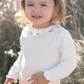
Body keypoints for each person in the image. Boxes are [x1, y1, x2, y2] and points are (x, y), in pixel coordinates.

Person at [4, 0, 77, 84]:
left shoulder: (60, 34)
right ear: (24, 7)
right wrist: (13, 73)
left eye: (43, 5)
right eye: (30, 4)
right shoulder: (26, 31)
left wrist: (47, 76)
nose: (36, 10)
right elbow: (23, 55)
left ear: (56, 9)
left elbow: (70, 62)